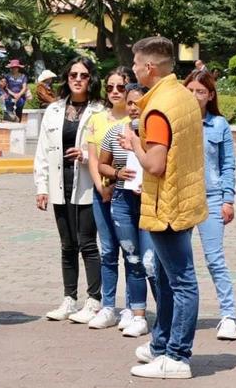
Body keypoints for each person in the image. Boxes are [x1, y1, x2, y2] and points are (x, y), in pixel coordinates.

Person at [122, 36, 207, 379]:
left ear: (150, 68)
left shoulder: (157, 108)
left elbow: (155, 164)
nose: (134, 69)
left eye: (137, 64)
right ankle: (161, 344)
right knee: (167, 276)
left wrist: (133, 143)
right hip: (184, 199)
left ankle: (177, 355)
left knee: (181, 281)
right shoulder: (182, 96)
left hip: (167, 205)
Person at [33, 56, 103, 322]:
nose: (77, 79)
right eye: (73, 74)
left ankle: (94, 300)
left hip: (87, 184)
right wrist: (41, 186)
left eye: (83, 75)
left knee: (87, 243)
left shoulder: (99, 110)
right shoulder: (54, 110)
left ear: (91, 79)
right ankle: (69, 299)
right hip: (60, 185)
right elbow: (42, 150)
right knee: (67, 244)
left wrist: (85, 154)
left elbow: (105, 148)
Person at [184, 69, 236, 341]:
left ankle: (228, 315)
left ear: (210, 96)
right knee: (178, 262)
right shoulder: (177, 122)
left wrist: (228, 199)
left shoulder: (219, 125)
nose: (195, 96)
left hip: (211, 198)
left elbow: (228, 164)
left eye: (200, 91)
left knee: (214, 259)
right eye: (190, 90)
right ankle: (182, 316)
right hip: (181, 199)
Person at [98, 83, 157, 337]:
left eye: (139, 103)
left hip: (149, 201)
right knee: (132, 259)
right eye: (131, 103)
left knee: (150, 262)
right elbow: (102, 165)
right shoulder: (114, 133)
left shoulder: (155, 133)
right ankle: (138, 315)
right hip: (122, 200)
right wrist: (117, 173)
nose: (134, 108)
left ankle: (166, 314)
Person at [84, 68, 132, 330]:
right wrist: (101, 187)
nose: (115, 92)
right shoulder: (98, 119)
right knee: (108, 251)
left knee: (131, 252)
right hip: (101, 192)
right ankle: (108, 305)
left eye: (120, 87)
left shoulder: (135, 120)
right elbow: (93, 158)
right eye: (110, 87)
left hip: (127, 194)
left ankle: (132, 308)